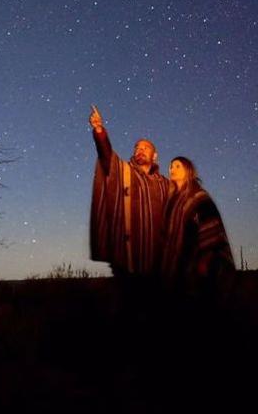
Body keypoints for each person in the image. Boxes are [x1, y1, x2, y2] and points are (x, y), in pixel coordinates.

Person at [88, 104, 172, 278]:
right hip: (127, 261)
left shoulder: (166, 184)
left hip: (161, 263)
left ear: (154, 155)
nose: (140, 150)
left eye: (145, 148)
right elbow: (107, 156)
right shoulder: (124, 171)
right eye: (137, 147)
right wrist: (99, 130)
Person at [160, 156, 235, 298]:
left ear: (188, 170)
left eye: (177, 166)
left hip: (197, 264)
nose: (172, 169)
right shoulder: (170, 201)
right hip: (173, 266)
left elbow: (211, 228)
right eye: (171, 166)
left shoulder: (199, 197)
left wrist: (206, 259)